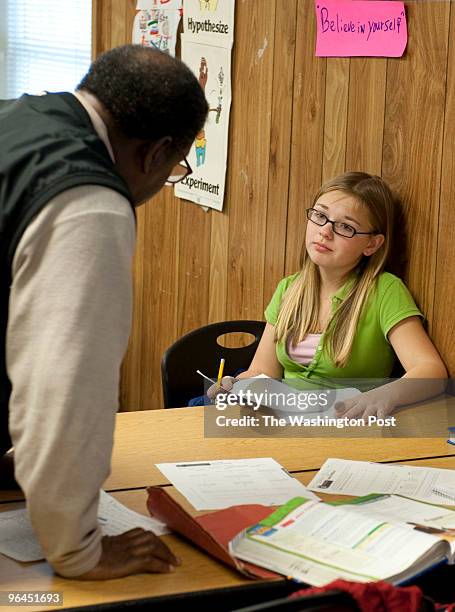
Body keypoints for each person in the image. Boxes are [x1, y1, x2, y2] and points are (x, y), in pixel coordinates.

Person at [0, 45, 208, 579]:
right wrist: (78, 549)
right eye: (177, 167)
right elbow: (65, 387)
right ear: (157, 152)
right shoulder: (89, 203)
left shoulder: (17, 117)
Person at [209, 172, 447, 417]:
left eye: (346, 227)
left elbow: (431, 371)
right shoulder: (289, 288)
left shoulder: (385, 291)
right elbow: (263, 371)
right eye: (320, 216)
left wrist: (385, 395)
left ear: (372, 244)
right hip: (284, 424)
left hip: (346, 427)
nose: (324, 231)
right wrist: (237, 385)